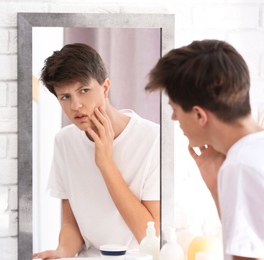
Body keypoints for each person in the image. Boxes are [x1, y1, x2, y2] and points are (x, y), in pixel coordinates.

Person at [33, 43, 160, 259]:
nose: (76, 106)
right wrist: (62, 252)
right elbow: (71, 223)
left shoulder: (152, 138)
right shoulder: (65, 141)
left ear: (105, 87)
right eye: (65, 97)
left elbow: (150, 235)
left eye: (84, 91)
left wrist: (106, 163)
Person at [145, 39, 264, 260]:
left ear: (199, 115)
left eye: (175, 109)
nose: (173, 118)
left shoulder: (240, 165)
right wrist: (216, 188)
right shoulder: (252, 153)